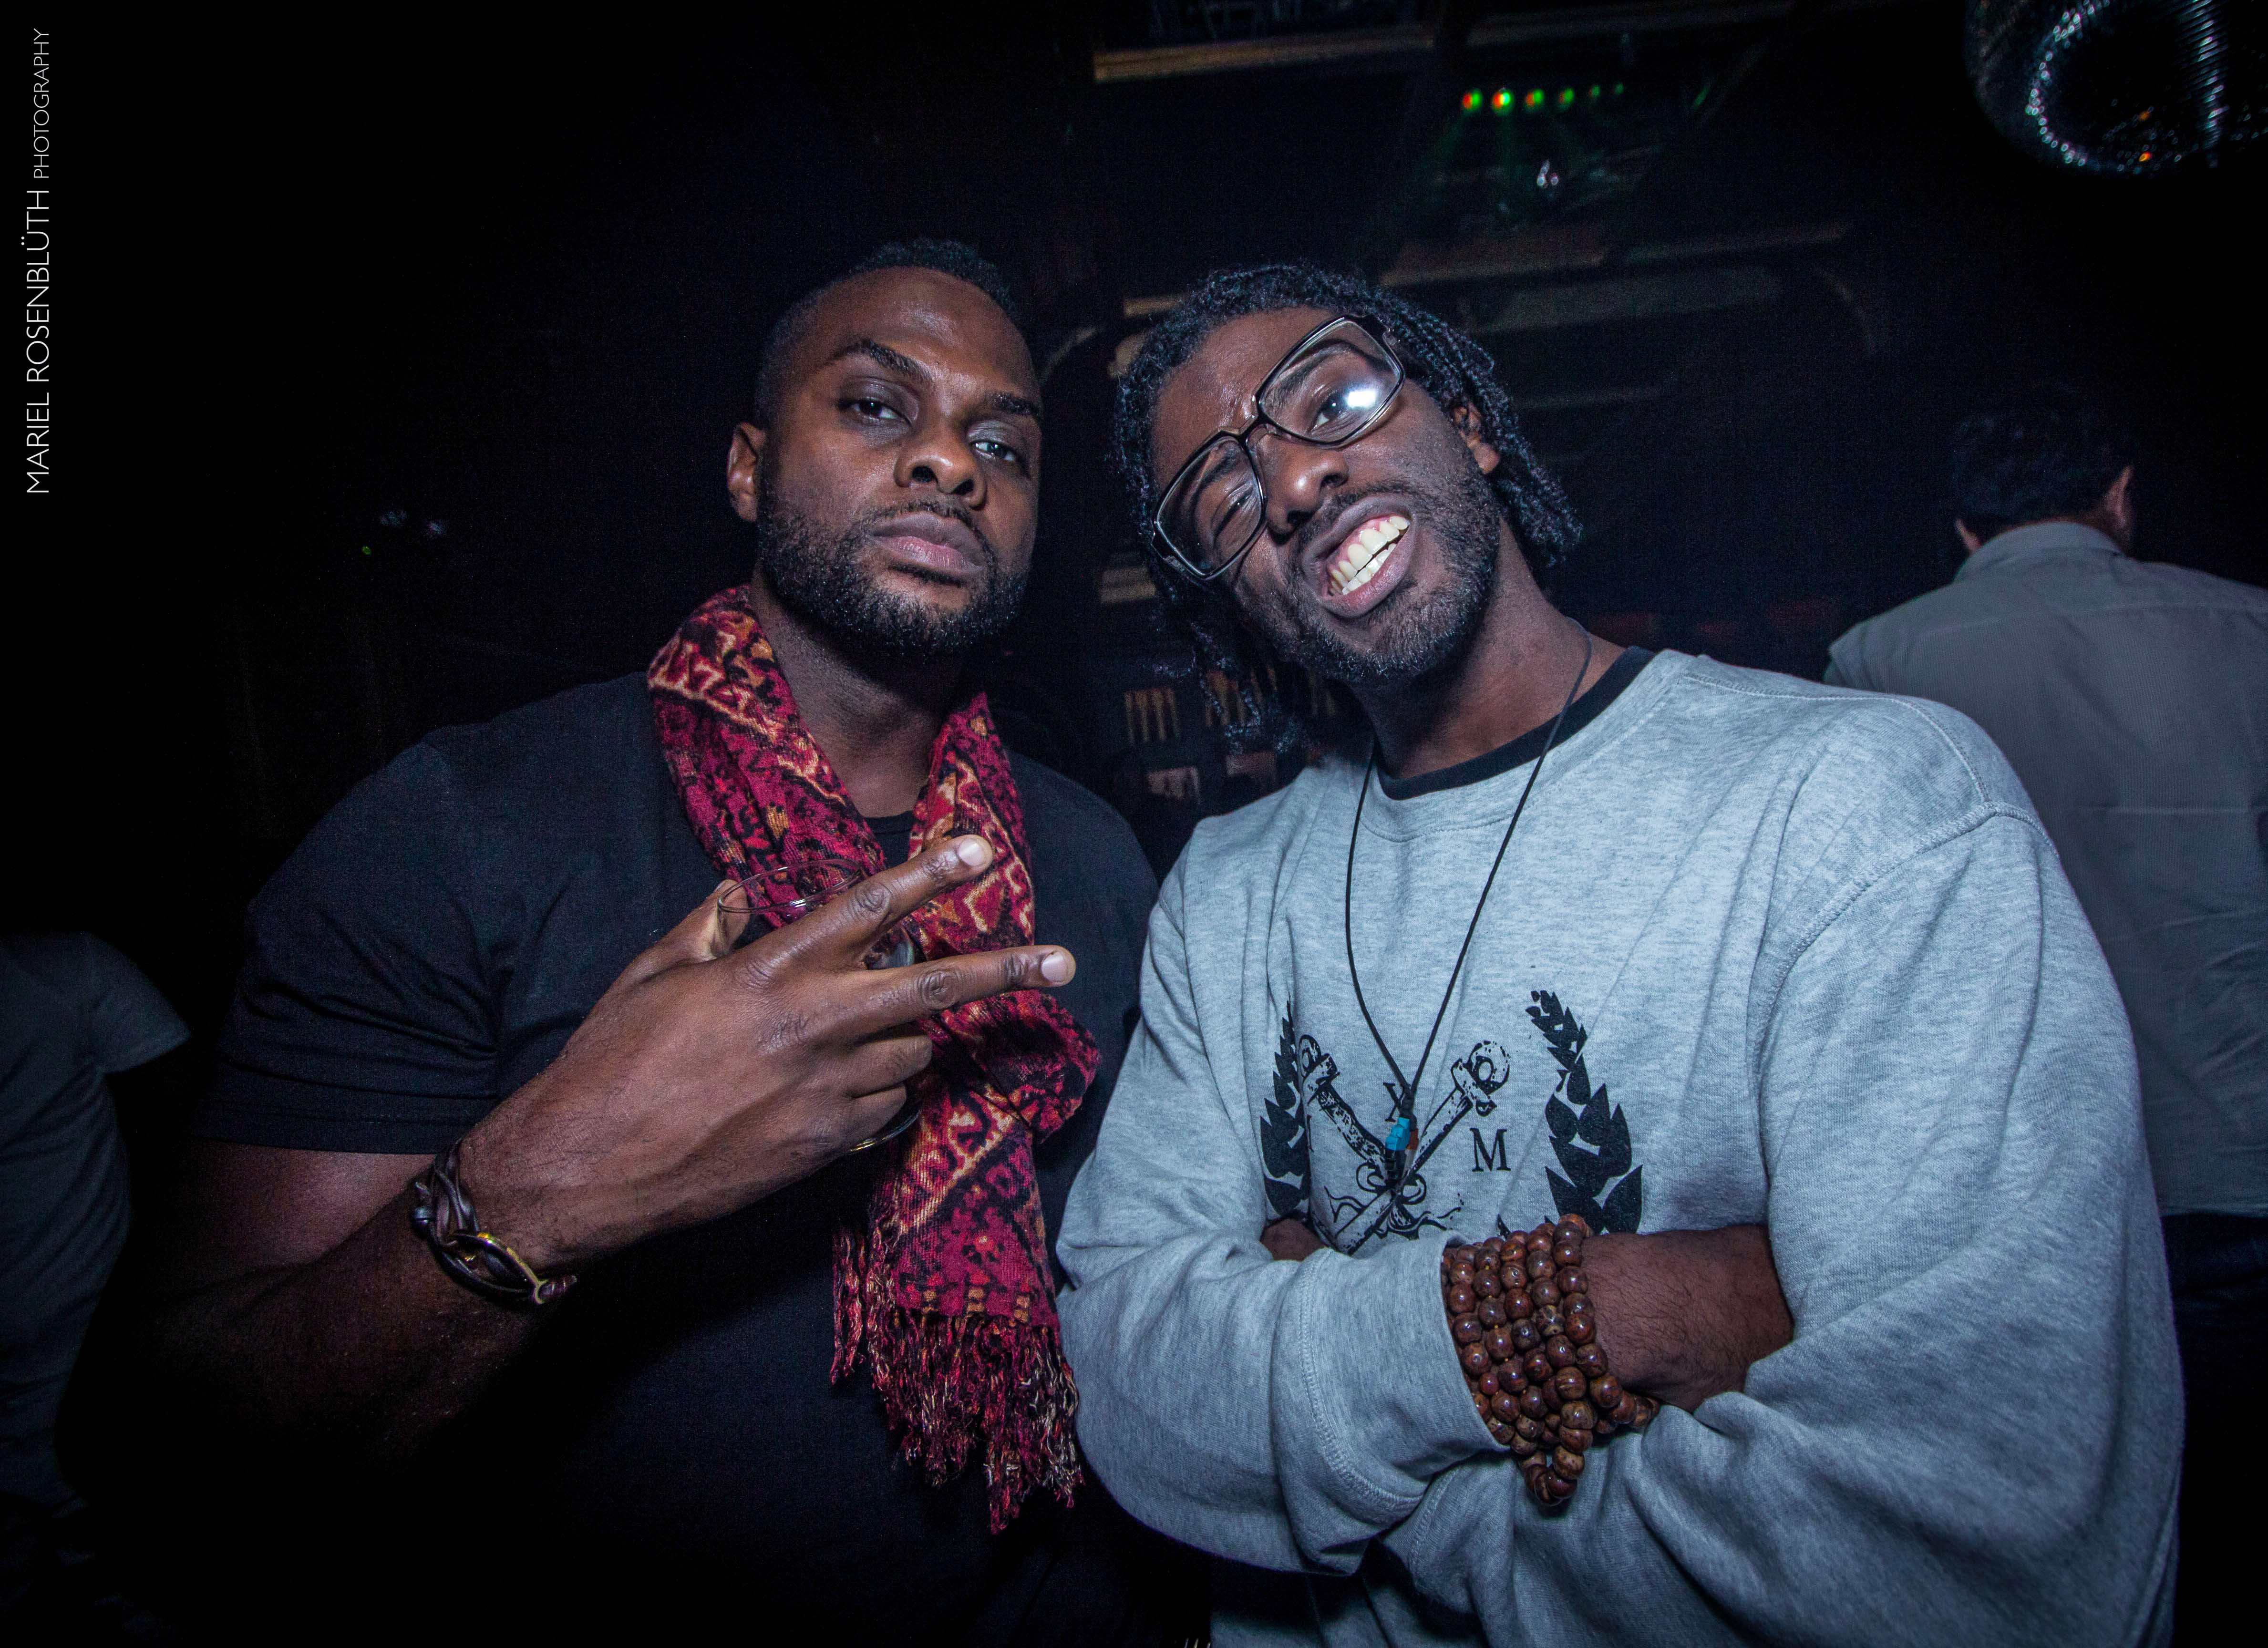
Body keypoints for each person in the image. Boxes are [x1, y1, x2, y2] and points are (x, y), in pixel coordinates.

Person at [73, 242, 1186, 1642]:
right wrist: (561, 1179)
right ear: (747, 470)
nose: (949, 464)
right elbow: (169, 1464)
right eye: (874, 406)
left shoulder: (1091, 856)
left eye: (1002, 445)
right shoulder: (465, 825)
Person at [1054, 266, 2180, 1646]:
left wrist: (1352, 1489)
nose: (1292, 483)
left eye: (1332, 400)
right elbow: (1126, 1378)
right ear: (1230, 602)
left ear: (1466, 420)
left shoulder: (1865, 804)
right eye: (1225, 500)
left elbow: (1985, 1553)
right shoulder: (1225, 894)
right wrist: (1571, 1314)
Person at [1825, 382, 2268, 1633]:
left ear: (1965, 530)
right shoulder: (2250, 629)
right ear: (2120, 498)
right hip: (2243, 1160)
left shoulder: (1877, 661)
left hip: (2019, 1188)